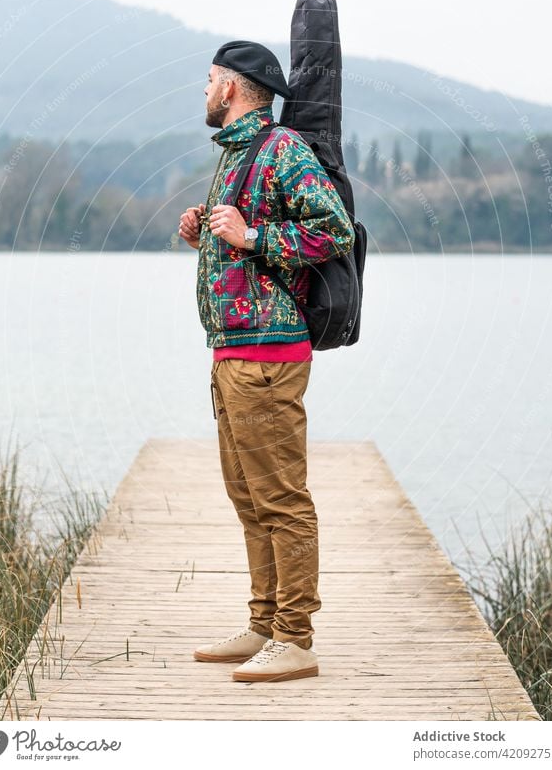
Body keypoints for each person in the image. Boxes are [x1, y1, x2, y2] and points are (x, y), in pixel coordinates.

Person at [178, 40, 355, 682]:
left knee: (280, 499)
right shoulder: (235, 156)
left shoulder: (280, 149)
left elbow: (333, 230)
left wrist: (250, 235)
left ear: (231, 87)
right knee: (250, 499)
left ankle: (295, 639)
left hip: (267, 355)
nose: (202, 92)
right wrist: (208, 230)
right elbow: (248, 238)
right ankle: (263, 626)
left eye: (208, 81)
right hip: (232, 352)